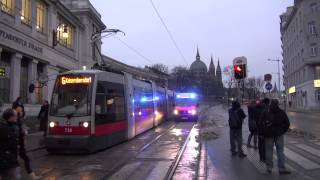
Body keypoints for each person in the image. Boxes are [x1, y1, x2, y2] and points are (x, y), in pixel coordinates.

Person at [261, 99, 291, 175]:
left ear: (271, 104)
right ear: (278, 104)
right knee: (280, 151)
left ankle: (269, 168)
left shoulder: (266, 112)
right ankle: (281, 168)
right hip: (279, 134)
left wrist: (263, 133)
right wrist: (282, 131)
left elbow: (260, 123)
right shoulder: (281, 112)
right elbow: (287, 123)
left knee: (268, 150)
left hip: (268, 135)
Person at [12, 98, 40, 179]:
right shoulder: (15, 121)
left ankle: (31, 175)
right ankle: (28, 176)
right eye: (21, 112)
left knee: (24, 159)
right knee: (16, 162)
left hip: (19, 145)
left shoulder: (17, 120)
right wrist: (23, 132)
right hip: (17, 145)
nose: (22, 113)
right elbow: (16, 132)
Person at [0, 109, 20, 180]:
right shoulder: (4, 128)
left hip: (9, 161)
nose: (17, 117)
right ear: (11, 117)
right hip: (7, 162)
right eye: (15, 116)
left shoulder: (11, 126)